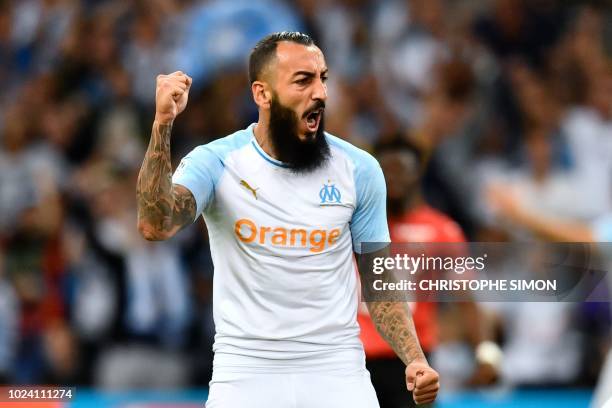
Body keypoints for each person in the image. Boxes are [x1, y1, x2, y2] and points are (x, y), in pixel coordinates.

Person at [135, 32, 439, 407]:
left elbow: (379, 280)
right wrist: (162, 123)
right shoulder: (216, 162)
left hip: (336, 370)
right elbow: (155, 224)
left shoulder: (358, 170)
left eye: (323, 78)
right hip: (245, 372)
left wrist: (415, 359)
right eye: (303, 80)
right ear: (262, 94)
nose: (320, 93)